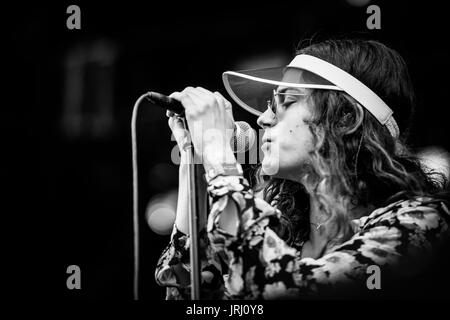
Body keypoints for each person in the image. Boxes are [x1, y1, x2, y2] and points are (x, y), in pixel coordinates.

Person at [155, 39, 450, 299]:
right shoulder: (281, 231)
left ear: (346, 118)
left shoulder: (421, 223)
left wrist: (218, 153)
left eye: (287, 101)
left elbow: (281, 288)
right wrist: (193, 161)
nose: (264, 119)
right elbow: (189, 293)